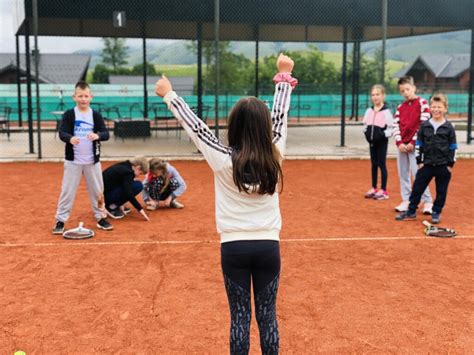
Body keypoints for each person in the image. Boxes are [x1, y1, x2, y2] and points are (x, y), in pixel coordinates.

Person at [155, 53, 296, 354]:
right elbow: (281, 116)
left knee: (240, 319)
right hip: (268, 245)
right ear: (264, 126)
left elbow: (196, 128)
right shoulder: (276, 153)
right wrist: (283, 79)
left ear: (235, 125)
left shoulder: (222, 158)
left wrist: (170, 95)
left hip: (233, 247)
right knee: (268, 317)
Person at [52, 81, 112, 234]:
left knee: (98, 191)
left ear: (91, 97)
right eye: (80, 96)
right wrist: (70, 138)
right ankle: (60, 220)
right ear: (74, 97)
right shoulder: (69, 114)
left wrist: (97, 135)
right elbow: (62, 133)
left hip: (92, 161)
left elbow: (106, 134)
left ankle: (101, 217)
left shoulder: (95, 115)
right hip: (74, 161)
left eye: (86, 96)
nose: (83, 99)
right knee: (67, 191)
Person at [396, 93, 457, 224]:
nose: (436, 109)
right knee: (417, 188)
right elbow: (419, 145)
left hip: (443, 165)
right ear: (430, 108)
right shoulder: (424, 126)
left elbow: (453, 147)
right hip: (426, 164)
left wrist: (450, 164)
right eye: (433, 106)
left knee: (441, 191)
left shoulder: (449, 127)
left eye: (439, 107)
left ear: (445, 108)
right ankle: (411, 211)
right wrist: (419, 161)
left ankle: (436, 212)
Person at [392, 76, 433, 214]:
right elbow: (395, 125)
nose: (405, 92)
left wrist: (413, 142)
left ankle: (427, 201)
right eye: (402, 90)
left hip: (416, 146)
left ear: (414, 88)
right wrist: (399, 143)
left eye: (407, 89)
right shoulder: (400, 107)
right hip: (402, 147)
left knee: (419, 174)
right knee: (403, 173)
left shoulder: (423, 103)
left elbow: (424, 124)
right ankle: (407, 200)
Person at [362, 84, 394, 200]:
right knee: (374, 165)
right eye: (373, 95)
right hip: (371, 143)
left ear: (383, 96)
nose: (375, 97)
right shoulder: (368, 111)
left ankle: (383, 190)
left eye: (378, 94)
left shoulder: (386, 112)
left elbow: (392, 128)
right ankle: (374, 187)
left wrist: (382, 135)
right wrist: (366, 134)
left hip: (382, 143)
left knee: (382, 164)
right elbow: (365, 125)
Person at [102, 156, 150, 221]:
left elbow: (122, 183)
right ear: (138, 167)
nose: (138, 175)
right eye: (140, 173)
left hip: (104, 193)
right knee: (138, 185)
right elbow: (128, 193)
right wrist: (139, 209)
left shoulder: (126, 165)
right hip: (105, 197)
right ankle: (111, 207)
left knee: (133, 184)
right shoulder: (128, 173)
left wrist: (121, 203)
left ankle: (115, 204)